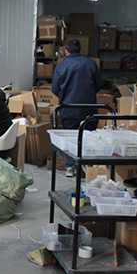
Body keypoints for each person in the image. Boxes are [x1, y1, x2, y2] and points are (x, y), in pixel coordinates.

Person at [51, 38, 103, 177]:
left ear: (66, 51)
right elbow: (99, 85)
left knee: (70, 137)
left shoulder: (61, 66)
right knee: (88, 136)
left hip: (69, 107)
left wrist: (65, 96)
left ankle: (70, 167)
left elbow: (55, 88)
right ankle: (87, 166)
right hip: (89, 107)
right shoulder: (90, 63)